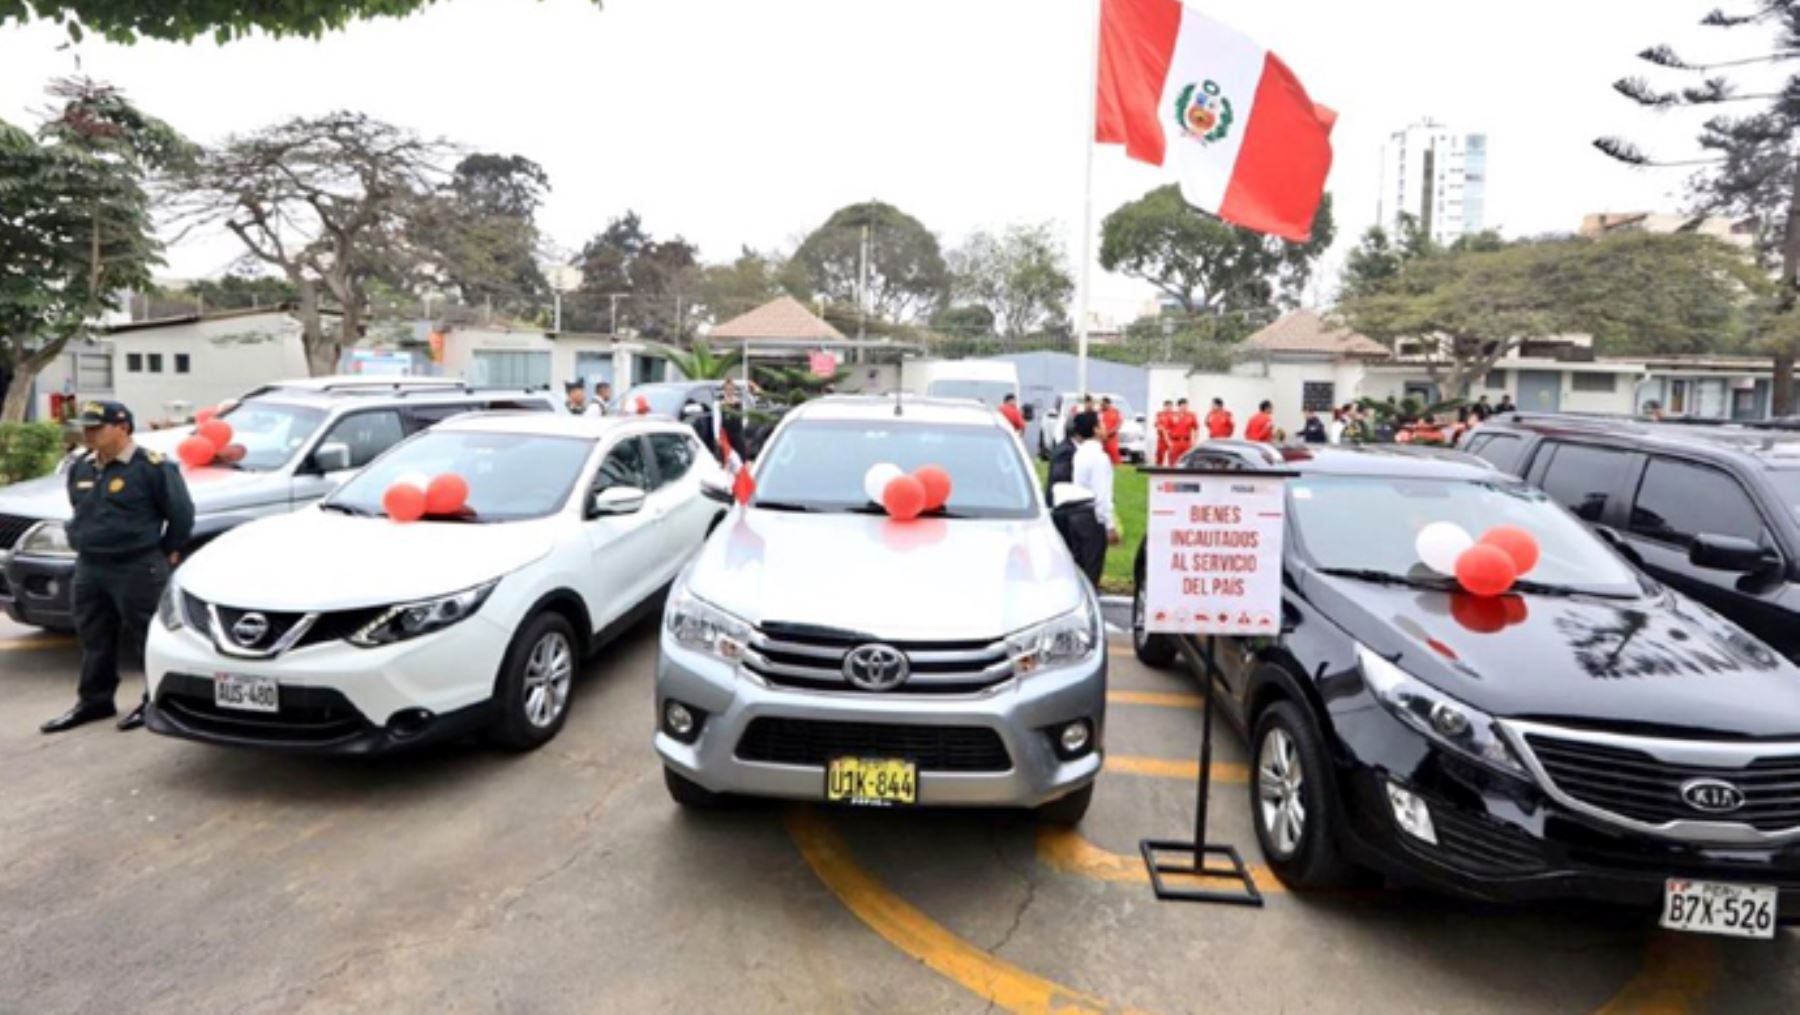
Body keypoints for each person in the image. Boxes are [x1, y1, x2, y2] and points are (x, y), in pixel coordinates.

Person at [42, 401, 194, 734]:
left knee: (146, 635)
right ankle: (95, 700)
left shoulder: (151, 468)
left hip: (136, 564)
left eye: (96, 428)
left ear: (122, 428)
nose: (88, 434)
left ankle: (152, 699)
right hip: (91, 565)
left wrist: (167, 551)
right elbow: (82, 508)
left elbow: (181, 515)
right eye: (86, 427)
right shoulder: (82, 467)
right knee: (93, 635)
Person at [1060, 413, 1118, 586]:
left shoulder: (1080, 453)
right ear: (1095, 430)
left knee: (1080, 565)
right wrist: (1110, 525)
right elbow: (1102, 494)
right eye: (1101, 424)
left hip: (1076, 513)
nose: (1104, 427)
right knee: (1093, 568)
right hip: (1092, 516)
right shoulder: (1099, 458)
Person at [1167, 398, 1198, 464]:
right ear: (1179, 406)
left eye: (1186, 405)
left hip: (1186, 443)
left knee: (1186, 462)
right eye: (1184, 405)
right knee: (1173, 462)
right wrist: (1168, 442)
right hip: (1175, 443)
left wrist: (1194, 442)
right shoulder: (1172, 415)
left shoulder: (1191, 415)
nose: (1186, 407)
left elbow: (1196, 429)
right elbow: (1166, 430)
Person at [1099, 396, 1123, 466]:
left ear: (1108, 404)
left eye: (1103, 405)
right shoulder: (1099, 412)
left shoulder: (1115, 412)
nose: (1101, 406)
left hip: (1111, 439)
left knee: (1114, 457)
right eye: (1101, 405)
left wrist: (1110, 432)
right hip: (1101, 439)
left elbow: (1118, 425)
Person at [1153, 400, 1174, 466]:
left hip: (1172, 438)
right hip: (1162, 439)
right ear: (1164, 406)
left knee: (1172, 456)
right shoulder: (1160, 414)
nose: (1168, 408)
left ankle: (1172, 470)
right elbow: (1157, 425)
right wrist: (1163, 430)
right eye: (1167, 406)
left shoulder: (1175, 415)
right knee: (1160, 455)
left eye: (1170, 406)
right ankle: (1158, 469)